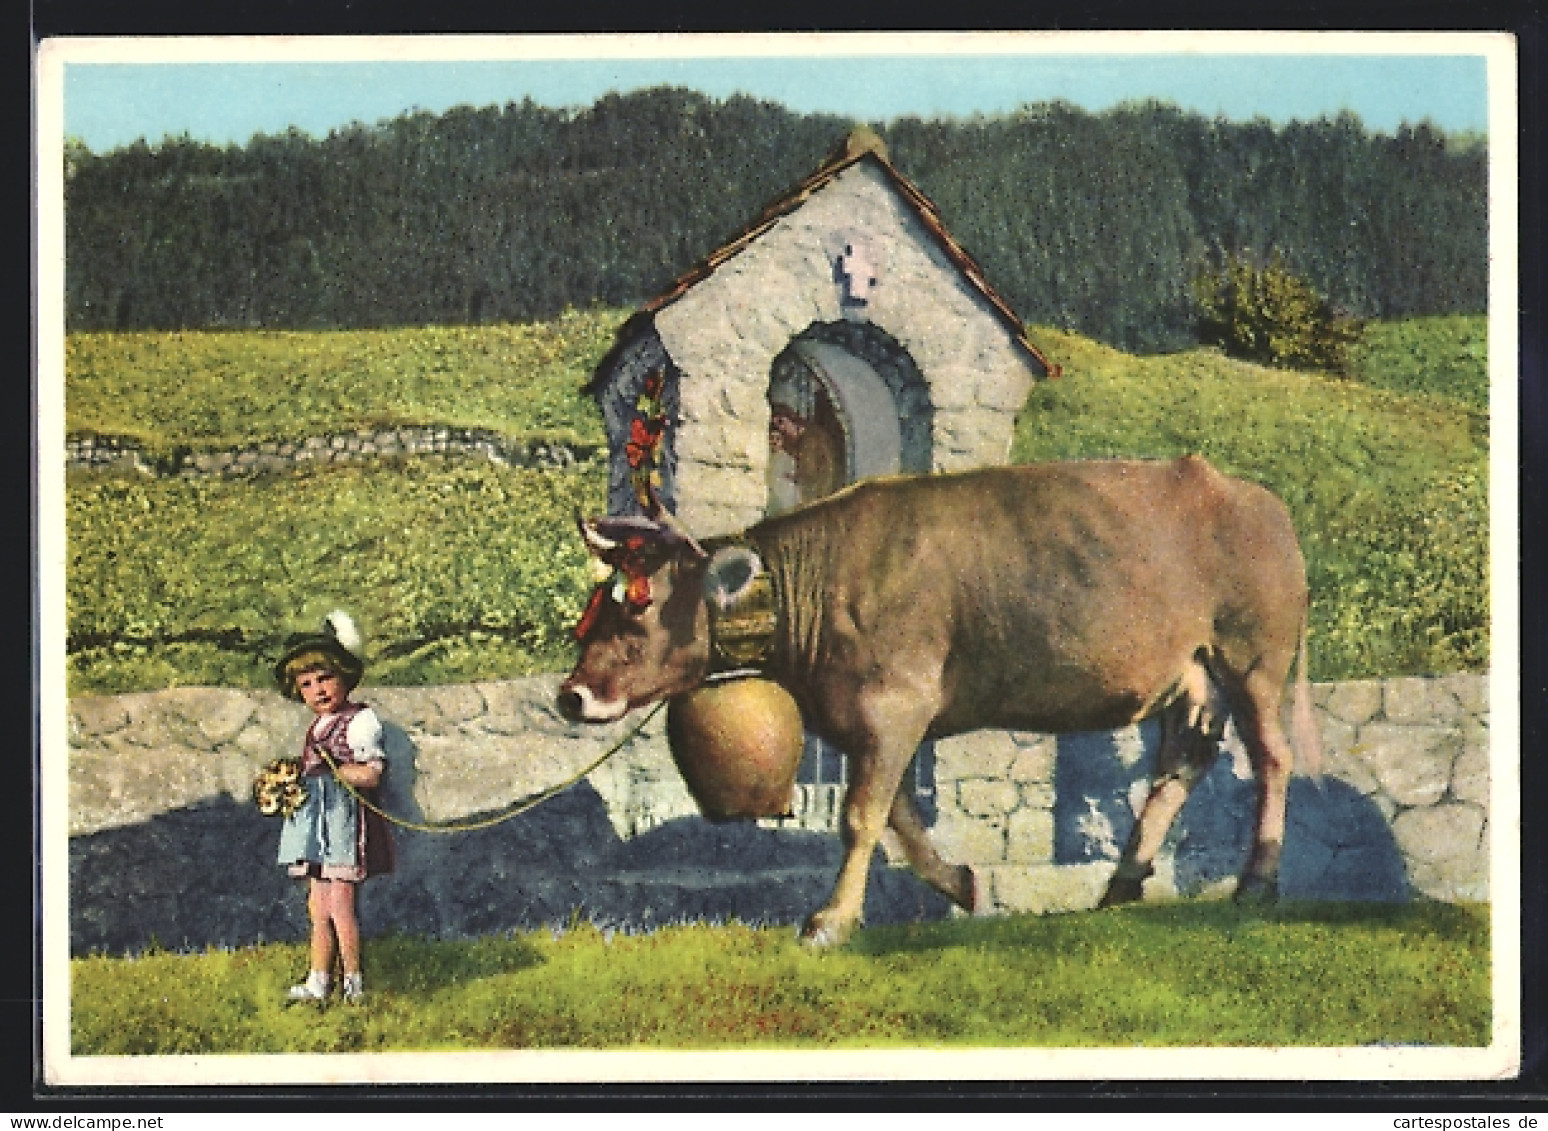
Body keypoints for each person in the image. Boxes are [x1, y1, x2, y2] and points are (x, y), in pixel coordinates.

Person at [272, 612, 394, 1006]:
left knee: (341, 905)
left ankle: (353, 981)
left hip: (342, 823)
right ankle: (318, 978)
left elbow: (372, 774)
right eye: (307, 684)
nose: (318, 690)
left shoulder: (359, 721)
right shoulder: (318, 727)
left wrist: (339, 772)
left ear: (343, 675)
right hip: (314, 826)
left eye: (324, 678)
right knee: (317, 906)